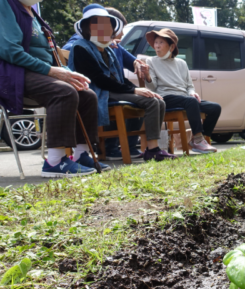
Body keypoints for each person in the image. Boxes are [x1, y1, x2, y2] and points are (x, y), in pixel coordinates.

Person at [0, 0, 105, 177]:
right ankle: (55, 162)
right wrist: (52, 71)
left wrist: (68, 73)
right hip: (15, 73)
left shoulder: (34, 14)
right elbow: (10, 50)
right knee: (63, 91)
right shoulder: (6, 4)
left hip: (41, 72)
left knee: (87, 94)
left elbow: (50, 55)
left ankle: (80, 155)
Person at [68, 4, 175, 162]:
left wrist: (135, 88)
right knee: (151, 102)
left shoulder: (109, 50)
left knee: (157, 100)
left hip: (112, 89)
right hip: (97, 92)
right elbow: (99, 79)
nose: (104, 30)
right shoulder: (80, 48)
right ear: (87, 28)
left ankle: (153, 148)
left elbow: (118, 78)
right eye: (97, 25)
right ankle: (152, 150)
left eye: (108, 26)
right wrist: (134, 91)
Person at [145, 29, 220, 154]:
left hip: (185, 99)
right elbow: (152, 88)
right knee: (190, 102)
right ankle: (198, 139)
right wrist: (147, 76)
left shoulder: (181, 63)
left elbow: (189, 86)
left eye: (161, 42)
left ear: (172, 46)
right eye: (155, 42)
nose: (156, 46)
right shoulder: (151, 61)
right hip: (165, 98)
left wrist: (192, 92)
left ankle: (201, 140)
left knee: (215, 108)